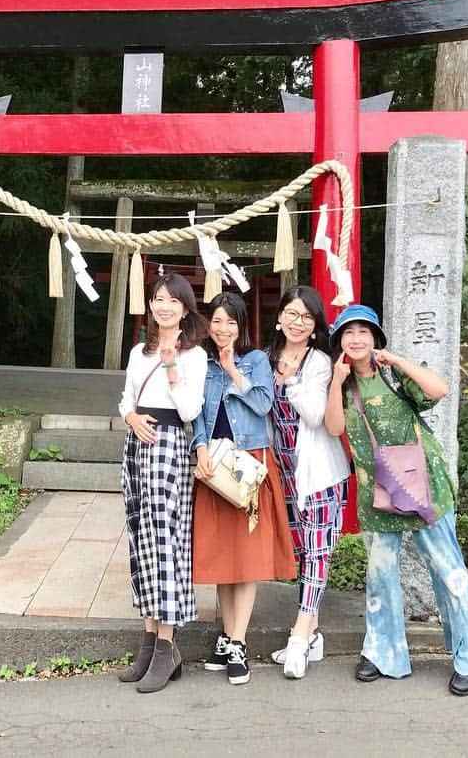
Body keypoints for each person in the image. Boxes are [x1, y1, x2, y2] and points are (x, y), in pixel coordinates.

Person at [323, 304, 468, 696]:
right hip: (375, 494)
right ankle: (383, 653)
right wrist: (334, 381)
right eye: (348, 332)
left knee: (450, 572)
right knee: (379, 577)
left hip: (422, 489)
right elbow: (333, 427)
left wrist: (396, 359)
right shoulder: (342, 384)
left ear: (376, 338)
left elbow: (439, 389)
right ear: (340, 342)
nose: (356, 338)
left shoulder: (394, 376)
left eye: (364, 331)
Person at [191, 292, 295, 686]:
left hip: (249, 463)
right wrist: (198, 447)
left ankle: (238, 641)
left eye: (230, 322)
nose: (222, 329)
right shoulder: (200, 363)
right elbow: (196, 413)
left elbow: (264, 404)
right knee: (222, 554)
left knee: (247, 556)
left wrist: (234, 370)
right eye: (216, 321)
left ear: (241, 326)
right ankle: (225, 639)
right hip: (214, 465)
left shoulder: (254, 361)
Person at [116, 273, 209, 693]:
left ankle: (168, 644)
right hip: (136, 445)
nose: (164, 306)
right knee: (142, 540)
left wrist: (172, 364)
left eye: (173, 300)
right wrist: (131, 418)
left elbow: (190, 411)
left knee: (166, 539)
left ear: (186, 309)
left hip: (170, 447)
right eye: (158, 299)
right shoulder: (138, 351)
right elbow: (126, 398)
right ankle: (149, 637)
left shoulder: (194, 356)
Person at [266, 286, 351, 679]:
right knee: (303, 554)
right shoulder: (265, 360)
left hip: (319, 475)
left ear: (316, 325)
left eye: (306, 317)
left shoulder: (319, 363)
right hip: (283, 473)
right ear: (279, 317)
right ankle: (313, 635)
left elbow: (317, 415)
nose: (298, 322)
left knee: (317, 553)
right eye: (292, 313)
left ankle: (299, 637)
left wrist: (289, 381)